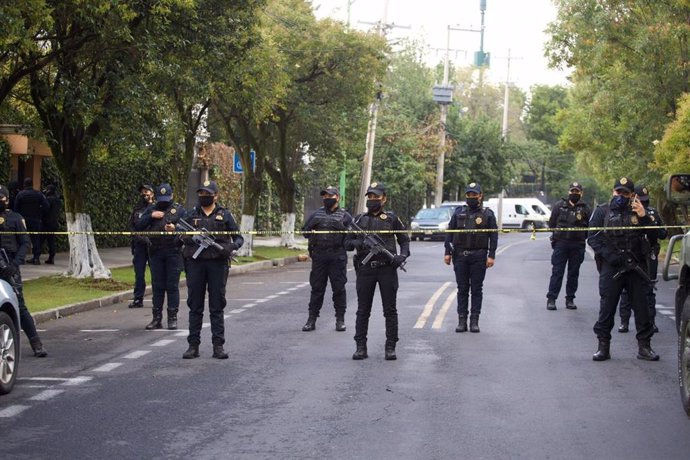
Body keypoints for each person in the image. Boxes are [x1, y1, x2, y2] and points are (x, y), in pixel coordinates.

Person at [588, 177, 658, 361]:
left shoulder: (640, 212)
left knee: (642, 309)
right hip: (613, 267)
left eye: (625, 193)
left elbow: (656, 235)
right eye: (618, 192)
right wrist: (612, 258)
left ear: (632, 195)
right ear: (613, 192)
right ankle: (603, 346)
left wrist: (644, 217)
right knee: (607, 307)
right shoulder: (602, 211)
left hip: (636, 266)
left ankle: (644, 347)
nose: (621, 196)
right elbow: (593, 238)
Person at [344, 182, 409, 361]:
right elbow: (347, 243)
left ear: (384, 198)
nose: (372, 200)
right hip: (365, 270)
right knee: (363, 310)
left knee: (390, 310)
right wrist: (359, 243)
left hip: (387, 269)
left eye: (376, 197)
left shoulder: (392, 218)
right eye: (370, 197)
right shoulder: (358, 220)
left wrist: (401, 257)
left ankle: (390, 347)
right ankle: (360, 347)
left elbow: (404, 240)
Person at [180, 180, 243, 360]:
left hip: (217, 264)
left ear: (216, 196)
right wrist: (192, 239)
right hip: (196, 263)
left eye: (207, 194)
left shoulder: (225, 215)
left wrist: (230, 248)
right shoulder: (191, 214)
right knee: (195, 304)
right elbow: (180, 235)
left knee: (217, 305)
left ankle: (218, 345)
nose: (203, 196)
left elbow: (238, 238)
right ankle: (193, 345)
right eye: (201, 193)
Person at [443, 182, 498, 333]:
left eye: (474, 194)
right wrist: (447, 252)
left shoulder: (488, 214)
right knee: (462, 289)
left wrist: (491, 255)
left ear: (480, 196)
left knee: (476, 289)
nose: (471, 197)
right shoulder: (458, 212)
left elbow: (493, 236)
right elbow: (449, 232)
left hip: (479, 256)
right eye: (469, 194)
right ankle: (462, 321)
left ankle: (474, 320)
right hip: (460, 255)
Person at [0, 185, 47, 357]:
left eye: (1, 198)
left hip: (10, 268)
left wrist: (14, 264)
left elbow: (25, 243)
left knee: (19, 306)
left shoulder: (16, 219)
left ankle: (36, 343)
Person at [301, 185, 353, 332]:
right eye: (325, 196)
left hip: (337, 256)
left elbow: (353, 237)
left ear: (338, 198)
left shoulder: (345, 216)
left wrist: (342, 228)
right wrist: (311, 228)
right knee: (317, 289)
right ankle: (311, 320)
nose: (327, 199)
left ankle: (340, 319)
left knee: (339, 288)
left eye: (330, 196)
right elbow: (304, 232)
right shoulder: (316, 214)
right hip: (319, 256)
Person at [618, 184, 667, 333]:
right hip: (633, 255)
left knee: (649, 287)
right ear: (633, 197)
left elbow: (663, 233)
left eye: (645, 200)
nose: (643, 204)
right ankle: (624, 321)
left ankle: (650, 321)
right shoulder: (627, 212)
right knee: (626, 289)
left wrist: (651, 223)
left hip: (649, 255)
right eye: (641, 200)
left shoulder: (652, 212)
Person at [135, 183, 186, 330]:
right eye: (161, 198)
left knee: (172, 286)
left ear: (172, 196)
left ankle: (172, 318)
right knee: (157, 286)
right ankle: (156, 318)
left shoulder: (179, 209)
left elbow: (189, 227)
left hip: (173, 251)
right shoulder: (152, 208)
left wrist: (175, 228)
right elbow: (139, 226)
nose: (164, 201)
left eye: (166, 198)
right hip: (156, 251)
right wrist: (151, 216)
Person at [545, 182, 591, 310]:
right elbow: (552, 223)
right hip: (561, 244)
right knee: (557, 272)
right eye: (572, 191)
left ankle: (570, 299)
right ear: (568, 192)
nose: (574, 194)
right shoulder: (559, 206)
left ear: (581, 193)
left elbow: (589, 227)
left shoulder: (585, 208)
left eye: (577, 192)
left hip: (578, 245)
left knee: (573, 273)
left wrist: (581, 237)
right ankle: (551, 299)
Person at [127, 184, 154, 309]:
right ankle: (138, 298)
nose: (144, 194)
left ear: (152, 193)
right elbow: (132, 227)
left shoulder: (157, 208)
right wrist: (140, 238)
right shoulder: (137, 209)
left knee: (156, 273)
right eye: (142, 192)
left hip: (154, 245)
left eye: (147, 191)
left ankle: (157, 298)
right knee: (139, 273)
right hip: (139, 246)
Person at [13, 177, 49, 265]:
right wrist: (40, 214)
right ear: (32, 184)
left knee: (22, 239)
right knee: (36, 239)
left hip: (23, 221)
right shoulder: (38, 194)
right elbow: (46, 206)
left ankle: (21, 259)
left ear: (24, 185)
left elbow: (15, 208)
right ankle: (36, 258)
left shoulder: (21, 195)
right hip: (35, 220)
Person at [41, 184, 61, 265]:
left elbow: (44, 210)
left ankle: (36, 257)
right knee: (51, 241)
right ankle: (51, 257)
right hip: (54, 223)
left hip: (46, 223)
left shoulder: (48, 200)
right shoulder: (57, 200)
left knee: (40, 240)